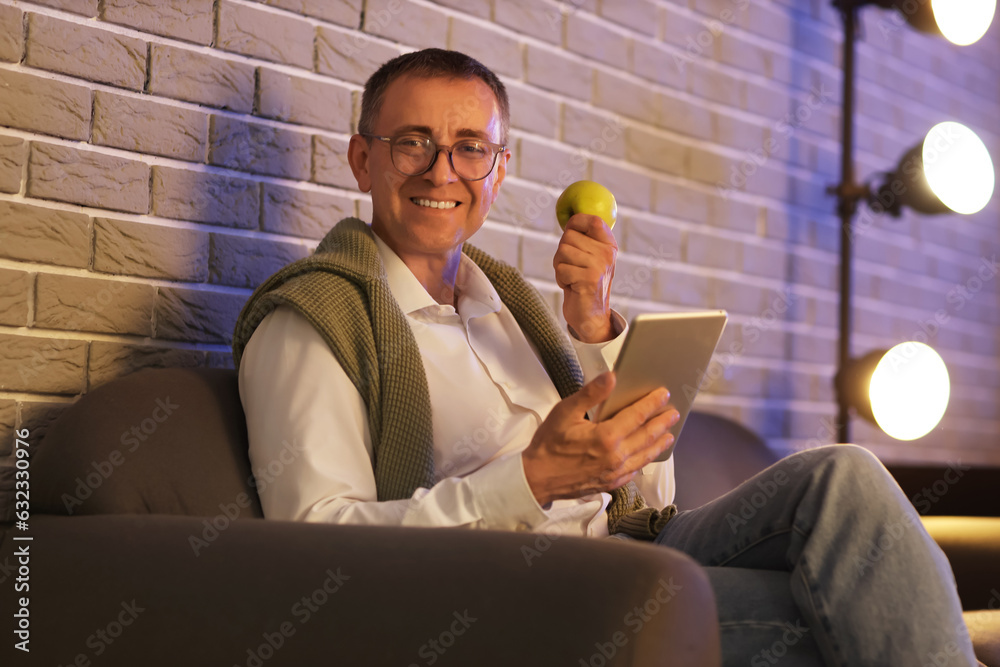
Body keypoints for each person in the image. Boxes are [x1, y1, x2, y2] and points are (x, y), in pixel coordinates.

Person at [232, 49, 977, 666]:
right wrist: (531, 479)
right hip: (514, 594)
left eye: (469, 148)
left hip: (622, 545)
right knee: (848, 611)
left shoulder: (513, 306)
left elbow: (644, 502)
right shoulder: (315, 321)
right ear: (364, 159)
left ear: (498, 170)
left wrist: (592, 330)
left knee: (843, 474)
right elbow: (318, 549)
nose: (440, 170)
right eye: (412, 142)